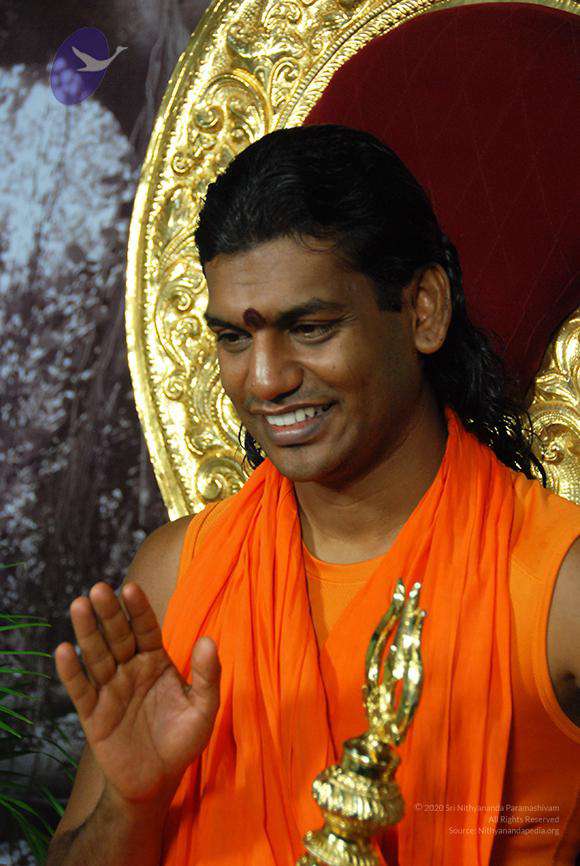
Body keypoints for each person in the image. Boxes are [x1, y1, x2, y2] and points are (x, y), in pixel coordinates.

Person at [47, 125, 579, 866]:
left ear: (423, 310)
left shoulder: (559, 593)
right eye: (235, 338)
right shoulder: (176, 575)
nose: (265, 380)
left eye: (311, 327)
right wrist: (132, 803)